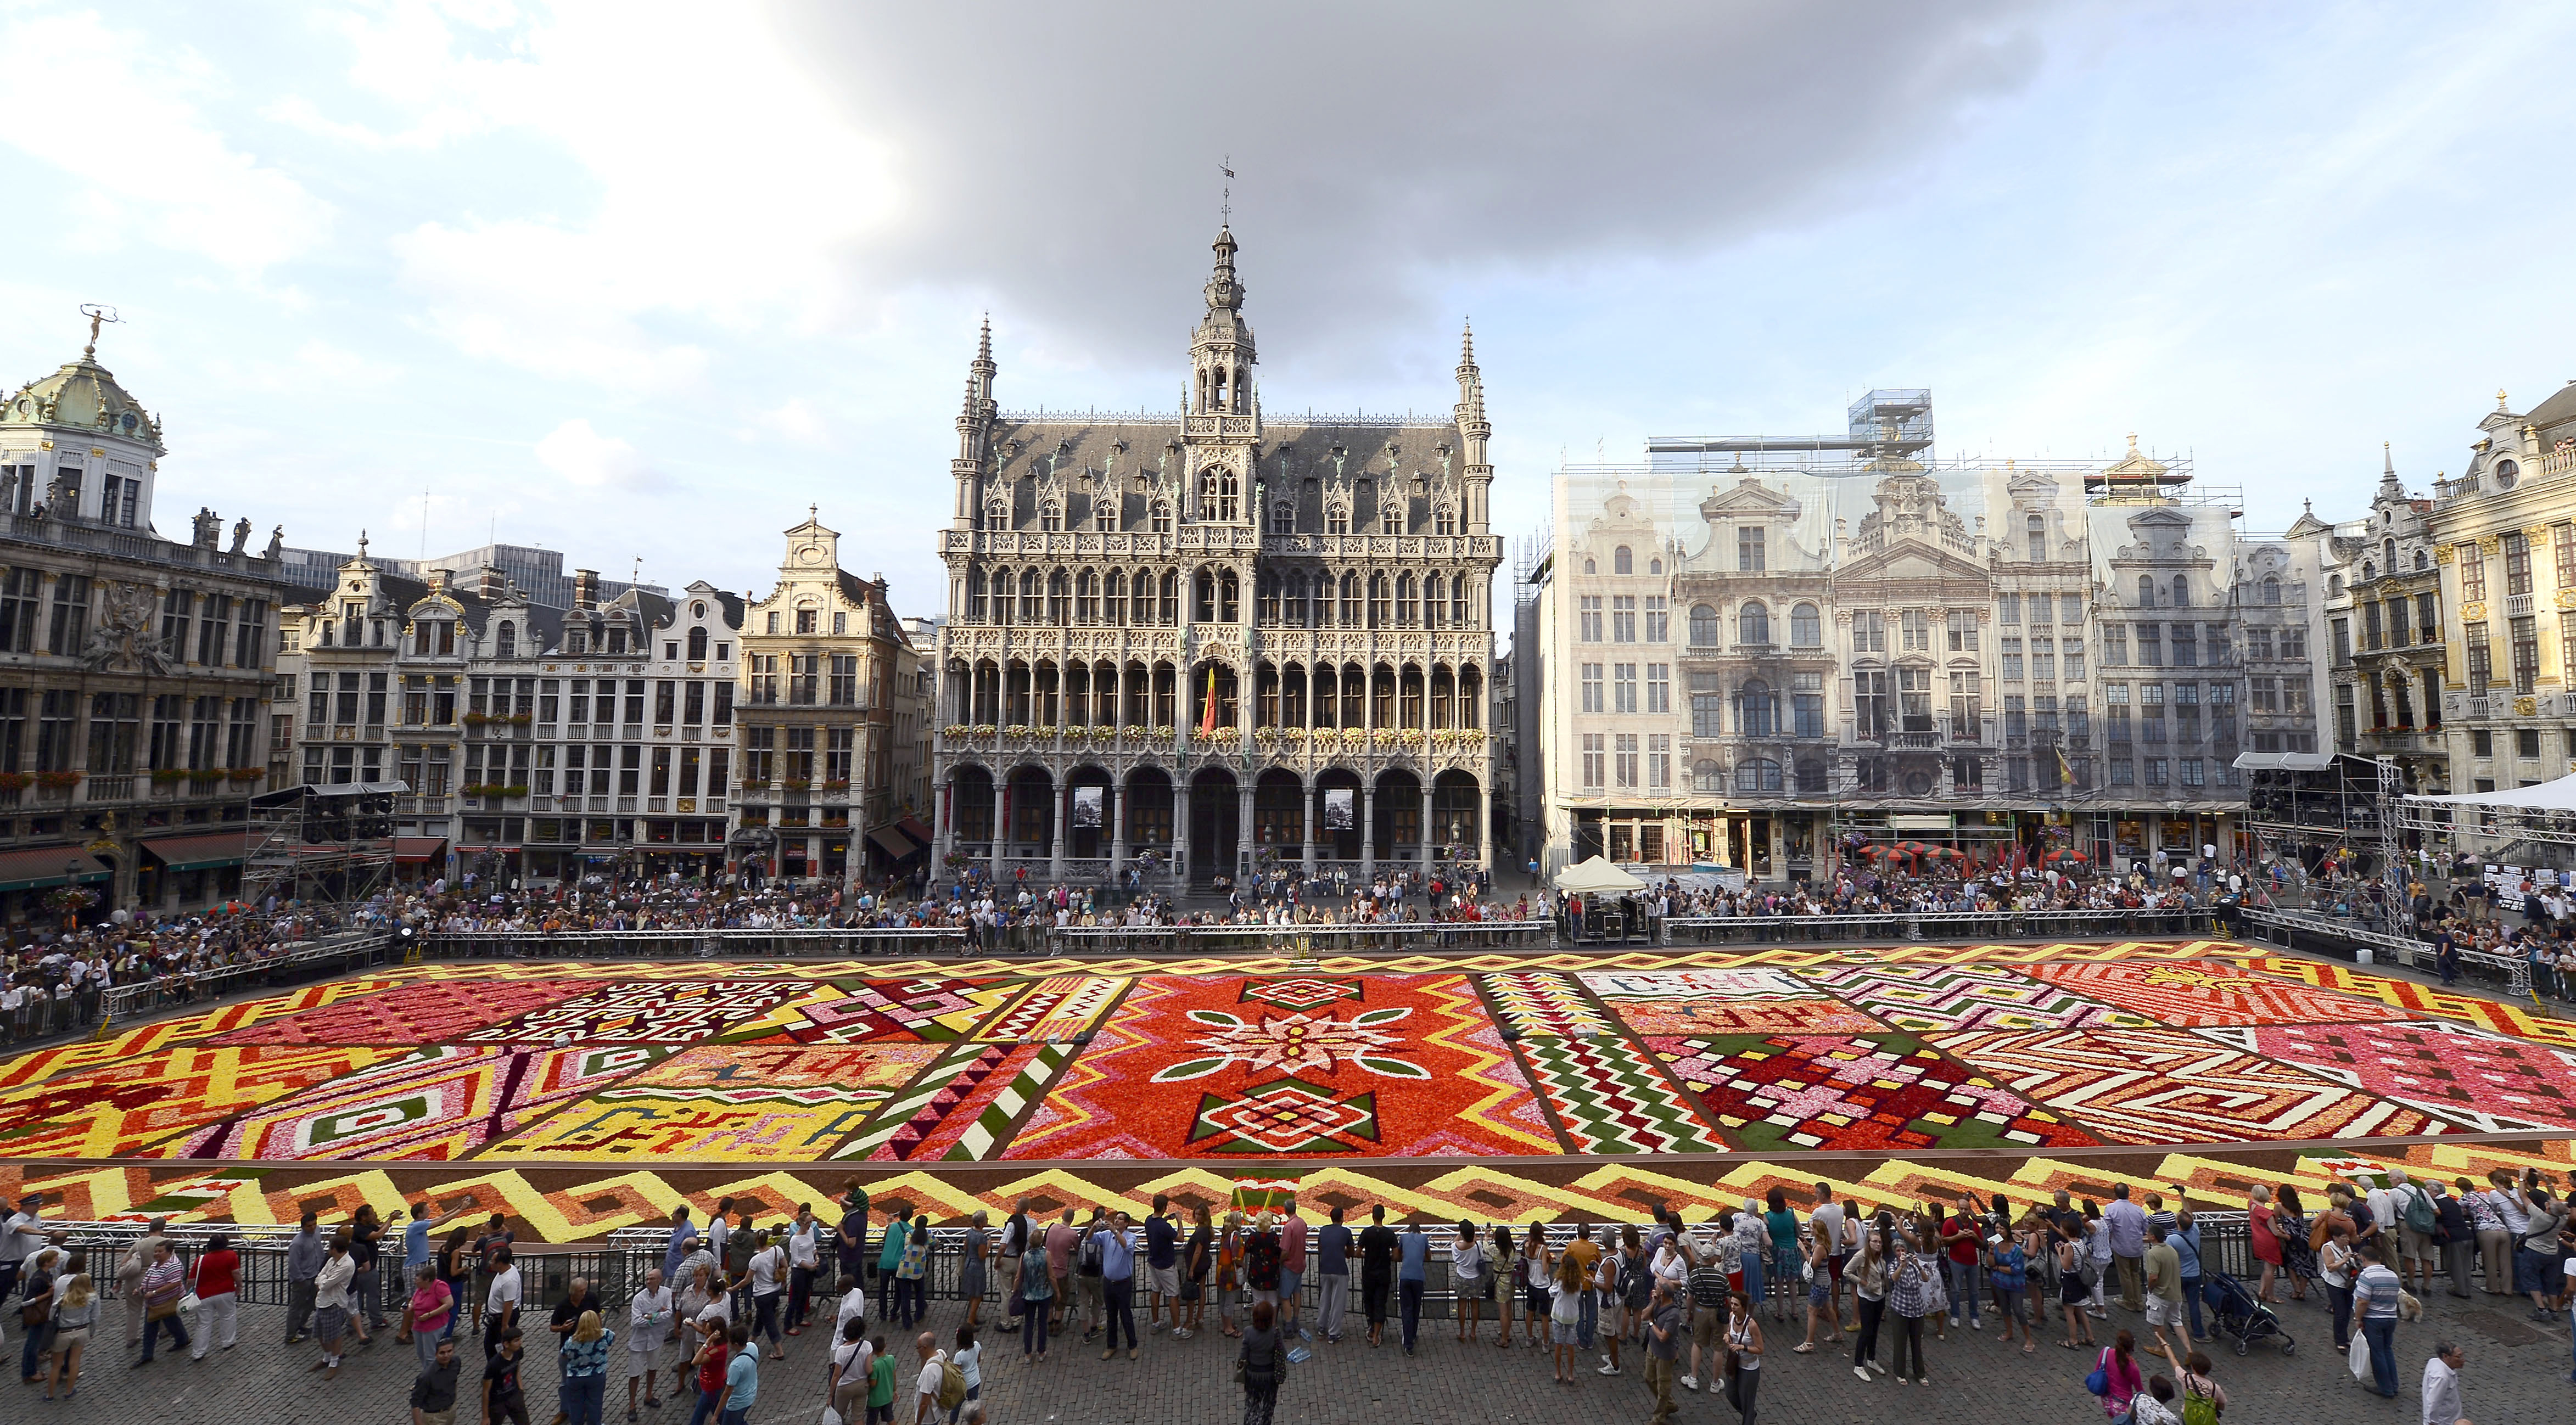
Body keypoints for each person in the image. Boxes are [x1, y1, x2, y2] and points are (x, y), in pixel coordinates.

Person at [2354, 1243, 2404, 1399]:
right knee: (2387, 1350)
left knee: (2377, 1354)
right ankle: (2394, 1385)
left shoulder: (2367, 1276)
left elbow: (2363, 1301)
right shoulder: (2393, 1275)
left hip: (2374, 1319)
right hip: (2390, 1317)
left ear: (2363, 1259)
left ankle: (2385, 1388)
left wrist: (2358, 1319)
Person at [626, 1267, 673, 1423]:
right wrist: (657, 1316)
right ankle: (632, 1406)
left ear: (659, 1280)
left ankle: (649, 1395)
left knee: (653, 1368)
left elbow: (669, 1314)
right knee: (635, 1374)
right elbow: (636, 1322)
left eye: (652, 1279)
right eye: (647, 1279)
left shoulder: (666, 1293)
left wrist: (649, 1317)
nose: (648, 1281)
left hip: (656, 1340)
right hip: (638, 1342)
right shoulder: (639, 1298)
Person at [1886, 1230, 1933, 1385]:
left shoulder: (1913, 1265)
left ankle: (1920, 1373)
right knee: (1900, 1343)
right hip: (1901, 1308)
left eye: (1903, 1250)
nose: (1901, 1253)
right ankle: (1900, 1373)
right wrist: (1902, 1266)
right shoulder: (1893, 1265)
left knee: (1916, 1343)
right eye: (1898, 1251)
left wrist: (1918, 1266)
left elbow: (1926, 1279)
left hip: (1917, 1309)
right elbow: (1894, 1278)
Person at [133, 1237, 190, 1365]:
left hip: (165, 1301)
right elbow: (149, 1279)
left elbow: (175, 1283)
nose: (156, 1254)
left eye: (160, 1252)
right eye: (156, 1251)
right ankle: (182, 1340)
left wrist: (154, 1292)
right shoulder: (155, 1264)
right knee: (171, 1322)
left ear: (169, 1252)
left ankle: (147, 1355)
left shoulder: (174, 1266)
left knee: (151, 1328)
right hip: (154, 1303)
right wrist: (142, 1289)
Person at [551, 1276, 600, 1423]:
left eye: (585, 1290)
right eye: (581, 1291)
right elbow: (552, 1327)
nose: (584, 1293)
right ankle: (564, 1410)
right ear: (573, 1292)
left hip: (589, 1349)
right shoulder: (563, 1306)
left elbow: (597, 1316)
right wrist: (562, 1328)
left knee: (585, 1381)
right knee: (566, 1382)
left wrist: (598, 1334)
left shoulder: (591, 1298)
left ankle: (583, 1410)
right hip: (569, 1350)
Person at [115, 1217, 166, 1350]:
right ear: (163, 1228)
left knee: (133, 1310)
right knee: (158, 1306)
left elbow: (123, 1264)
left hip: (132, 1281)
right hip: (153, 1280)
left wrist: (119, 1281)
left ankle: (131, 1338)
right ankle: (164, 1330)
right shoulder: (165, 1243)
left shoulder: (139, 1244)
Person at [1093, 1209, 1138, 1360]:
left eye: (1120, 1219)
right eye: (1116, 1219)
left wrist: (1114, 1231)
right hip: (1108, 1283)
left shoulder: (1131, 1236)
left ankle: (1132, 1345)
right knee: (1111, 1316)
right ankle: (1112, 1346)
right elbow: (1089, 1239)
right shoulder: (1106, 1235)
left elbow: (1127, 1246)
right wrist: (1093, 1228)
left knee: (1126, 1315)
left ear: (1126, 1223)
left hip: (1123, 1284)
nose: (1116, 1221)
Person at [42, 1271, 93, 1401]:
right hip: (82, 1332)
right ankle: (69, 1391)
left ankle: (50, 1395)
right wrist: (91, 1332)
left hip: (63, 1333)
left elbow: (53, 1313)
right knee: (75, 1363)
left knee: (56, 1365)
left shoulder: (64, 1297)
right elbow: (95, 1317)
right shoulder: (92, 1297)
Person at [1847, 1218, 1889, 1380]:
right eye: (1875, 1242)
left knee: (1875, 1329)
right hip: (1866, 1298)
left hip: (1880, 1297)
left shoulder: (1880, 1256)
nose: (1878, 1244)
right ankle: (1858, 1365)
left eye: (1880, 1242)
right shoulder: (1861, 1256)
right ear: (1869, 1242)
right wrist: (1861, 1282)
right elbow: (1847, 1272)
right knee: (1866, 1331)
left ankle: (1871, 1359)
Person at [189, 1232, 240, 1360]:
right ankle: (228, 1341)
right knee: (228, 1317)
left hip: (204, 1295)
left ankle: (198, 1352)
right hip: (226, 1292)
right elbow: (236, 1273)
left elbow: (191, 1281)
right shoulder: (231, 1255)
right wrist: (239, 1286)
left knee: (203, 1324)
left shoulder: (200, 1260)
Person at [312, 1233, 357, 1378]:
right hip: (323, 1301)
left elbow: (325, 1283)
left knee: (334, 1334)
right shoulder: (332, 1260)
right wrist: (322, 1279)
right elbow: (321, 1276)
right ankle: (327, 1357)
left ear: (334, 1249)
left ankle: (334, 1362)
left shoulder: (347, 1264)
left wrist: (322, 1279)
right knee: (320, 1332)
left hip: (335, 1302)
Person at [1237, 1298, 1288, 1425]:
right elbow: (1284, 1354)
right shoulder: (1275, 1333)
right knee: (1266, 1408)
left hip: (1252, 1376)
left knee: (1252, 1405)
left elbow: (1243, 1356)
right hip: (1269, 1378)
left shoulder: (1248, 1332)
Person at [561, 1310, 614, 1425]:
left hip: (575, 1378)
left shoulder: (571, 1341)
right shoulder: (605, 1335)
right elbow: (612, 1340)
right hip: (596, 1375)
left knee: (575, 1406)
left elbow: (564, 1354)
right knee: (595, 1404)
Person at [1990, 1219, 2034, 1354]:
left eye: (2001, 1228)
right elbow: (1990, 1263)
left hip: (2015, 1284)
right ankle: (2009, 1332)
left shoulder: (2016, 1249)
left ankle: (2029, 1339)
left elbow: (2015, 1269)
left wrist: (1998, 1268)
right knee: (2004, 1307)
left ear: (2007, 1230)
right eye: (1997, 1228)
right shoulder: (1995, 1246)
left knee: (2018, 1310)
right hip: (1999, 1283)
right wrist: (1991, 1251)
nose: (1999, 1231)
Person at [2104, 1185, 2148, 1313]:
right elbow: (2146, 1229)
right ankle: (2139, 1302)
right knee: (2135, 1274)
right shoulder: (2139, 1210)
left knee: (2125, 1275)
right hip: (2136, 1248)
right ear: (2129, 1194)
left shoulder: (2111, 1208)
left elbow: (2108, 1228)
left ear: (2115, 1194)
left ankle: (2129, 1301)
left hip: (2121, 1247)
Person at [1723, 1287, 1764, 1424]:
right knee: (1730, 1394)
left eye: (1736, 1305)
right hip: (1735, 1365)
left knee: (1747, 1402)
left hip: (1749, 1369)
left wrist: (1743, 1347)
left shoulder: (1752, 1326)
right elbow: (1729, 1330)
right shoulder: (1731, 1316)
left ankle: (1748, 1417)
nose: (1733, 1307)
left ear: (1744, 1307)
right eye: (1732, 1304)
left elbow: (1760, 1349)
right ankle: (1750, 1414)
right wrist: (1727, 1335)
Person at [284, 1209, 326, 1345]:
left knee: (311, 1303)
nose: (313, 1228)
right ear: (303, 1227)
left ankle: (300, 1326)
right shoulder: (297, 1243)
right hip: (303, 1279)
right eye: (309, 1226)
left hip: (315, 1276)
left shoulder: (317, 1232)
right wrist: (301, 1280)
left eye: (314, 1224)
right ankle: (290, 1335)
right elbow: (293, 1265)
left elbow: (319, 1252)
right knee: (296, 1307)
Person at [1357, 1204, 1395, 1349]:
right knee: (1380, 1302)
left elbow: (1357, 1252)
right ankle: (1377, 1335)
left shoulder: (1366, 1233)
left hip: (1369, 1273)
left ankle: (1372, 1328)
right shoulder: (1389, 1234)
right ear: (1384, 1216)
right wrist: (1388, 1257)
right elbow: (1397, 1254)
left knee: (1369, 1301)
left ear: (1372, 1216)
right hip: (1384, 1273)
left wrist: (1365, 1255)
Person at [747, 1230, 788, 1360]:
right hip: (775, 1291)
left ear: (757, 1242)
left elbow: (747, 1280)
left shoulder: (756, 1260)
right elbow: (785, 1266)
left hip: (762, 1295)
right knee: (762, 1316)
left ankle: (779, 1351)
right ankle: (752, 1339)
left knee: (769, 1322)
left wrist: (733, 1288)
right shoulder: (777, 1250)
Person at [1015, 1230, 1053, 1362]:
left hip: (1028, 1295)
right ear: (1042, 1241)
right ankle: (1041, 1352)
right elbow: (1051, 1276)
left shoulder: (1024, 1256)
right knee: (1042, 1323)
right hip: (1044, 1294)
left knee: (1029, 1324)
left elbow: (1019, 1276)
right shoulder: (1046, 1255)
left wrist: (1015, 1291)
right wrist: (1057, 1291)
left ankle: (1028, 1354)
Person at [1315, 1207, 1352, 1344]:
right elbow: (1351, 1252)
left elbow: (1320, 1248)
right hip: (1340, 1270)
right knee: (1338, 1302)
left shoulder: (1324, 1230)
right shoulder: (1346, 1232)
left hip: (1325, 1268)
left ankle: (1321, 1326)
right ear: (1342, 1218)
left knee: (1325, 1298)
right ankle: (1334, 1333)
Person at [2320, 1220, 2359, 1352]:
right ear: (2335, 1238)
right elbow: (2330, 1268)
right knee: (2340, 1313)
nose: (2347, 1239)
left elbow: (2352, 1263)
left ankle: (2345, 1338)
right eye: (2344, 1237)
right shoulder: (2328, 1248)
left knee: (2347, 1312)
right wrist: (2344, 1260)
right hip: (2334, 1283)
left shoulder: (2347, 1247)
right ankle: (2339, 1341)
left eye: (2348, 1237)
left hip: (2347, 1284)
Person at [2093, 1330, 2143, 1422]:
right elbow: (2140, 1391)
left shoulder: (2106, 1352)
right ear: (2132, 1348)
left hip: (2105, 1401)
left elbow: (2097, 1371)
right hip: (2123, 1406)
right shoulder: (2133, 1368)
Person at [412, 1336, 463, 1425]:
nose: (446, 1355)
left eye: (449, 1351)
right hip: (435, 1417)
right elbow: (416, 1402)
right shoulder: (426, 1376)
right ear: (436, 1354)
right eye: (442, 1353)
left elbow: (454, 1381)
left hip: (451, 1410)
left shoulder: (456, 1362)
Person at [485, 1326, 531, 1425]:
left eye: (520, 1339)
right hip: (498, 1402)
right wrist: (485, 1417)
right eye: (516, 1341)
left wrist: (520, 1390)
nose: (520, 1343)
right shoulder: (494, 1364)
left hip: (514, 1396)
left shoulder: (518, 1352)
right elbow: (486, 1390)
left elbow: (517, 1369)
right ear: (506, 1344)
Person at [1396, 1217, 1429, 1355]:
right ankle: (1413, 1335)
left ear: (1409, 1230)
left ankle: (1408, 1342)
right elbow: (1429, 1257)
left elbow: (1397, 1255)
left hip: (1405, 1277)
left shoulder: (1403, 1238)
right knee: (1416, 1308)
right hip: (1419, 1278)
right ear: (1419, 1232)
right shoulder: (1424, 1238)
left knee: (1407, 1310)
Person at [1449, 1218, 1485, 1342]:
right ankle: (1473, 1332)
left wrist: (1460, 1234)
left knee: (1462, 1306)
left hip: (1462, 1278)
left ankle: (1462, 1332)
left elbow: (1455, 1243)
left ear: (1462, 1234)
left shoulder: (1456, 1247)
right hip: (1476, 1278)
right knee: (1475, 1306)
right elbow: (1475, 1244)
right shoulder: (1478, 1245)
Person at [486, 1244, 525, 1357]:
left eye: (492, 1261)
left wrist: (504, 1325)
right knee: (490, 1346)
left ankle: (505, 1369)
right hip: (496, 1318)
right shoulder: (508, 1269)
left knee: (499, 1347)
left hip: (502, 1319)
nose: (490, 1263)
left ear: (500, 1264)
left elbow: (509, 1304)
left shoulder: (509, 1281)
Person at [1278, 1200, 1308, 1340]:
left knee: (1285, 1297)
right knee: (1297, 1293)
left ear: (1285, 1210)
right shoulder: (1302, 1223)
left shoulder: (1289, 1227)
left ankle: (1288, 1327)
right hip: (1300, 1264)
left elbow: (1285, 1250)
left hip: (1290, 1266)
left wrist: (1280, 1261)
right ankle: (1295, 1321)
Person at [718, 1323, 759, 1425]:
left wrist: (716, 1414)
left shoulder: (736, 1366)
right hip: (751, 1394)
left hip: (737, 1403)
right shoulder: (752, 1347)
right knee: (738, 1421)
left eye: (730, 1342)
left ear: (736, 1344)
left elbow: (727, 1392)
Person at [2421, 1340, 2465, 1425]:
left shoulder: (2435, 1362)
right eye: (2459, 1357)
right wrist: (2432, 1422)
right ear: (2445, 1356)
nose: (2463, 1360)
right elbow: (2433, 1402)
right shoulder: (2441, 1378)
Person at [947, 1325, 981, 1425]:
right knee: (973, 1408)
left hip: (964, 1386)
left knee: (956, 1408)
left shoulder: (959, 1356)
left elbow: (957, 1374)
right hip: (975, 1381)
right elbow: (978, 1360)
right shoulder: (977, 1345)